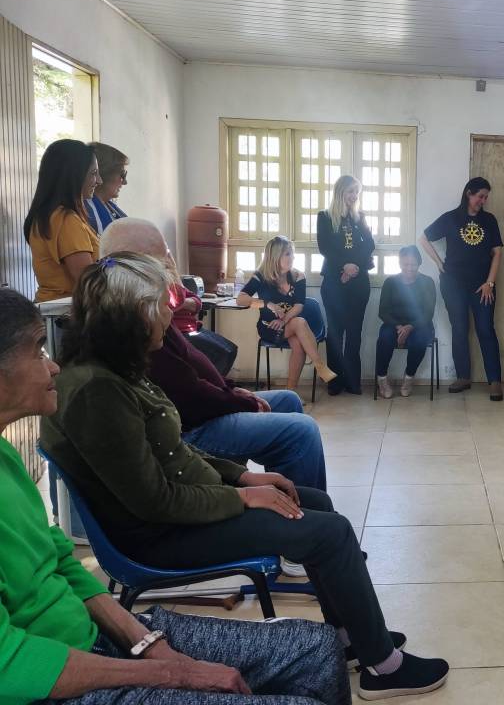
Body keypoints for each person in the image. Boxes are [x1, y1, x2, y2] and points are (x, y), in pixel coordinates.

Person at [39, 254, 450, 700]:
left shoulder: (118, 370)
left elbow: (175, 452)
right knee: (330, 533)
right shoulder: (96, 390)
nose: (168, 314)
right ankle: (383, 667)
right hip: (158, 535)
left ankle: (351, 639)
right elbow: (154, 500)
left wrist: (242, 478)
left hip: (177, 512)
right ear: (131, 316)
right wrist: (242, 499)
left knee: (314, 502)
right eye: (160, 305)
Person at [0, 287, 349, 705]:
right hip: (52, 685)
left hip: (94, 640)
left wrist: (145, 641)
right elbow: (9, 665)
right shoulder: (97, 389)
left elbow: (62, 563)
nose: (52, 365)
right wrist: (169, 673)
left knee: (320, 651)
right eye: (38, 350)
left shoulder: (6, 456)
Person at [101, 219, 326, 494]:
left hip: (209, 407)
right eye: (165, 256)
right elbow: (189, 394)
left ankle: (291, 495)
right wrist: (239, 401)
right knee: (303, 430)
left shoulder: (148, 312)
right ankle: (302, 507)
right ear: (136, 266)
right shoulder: (136, 328)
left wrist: (231, 389)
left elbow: (194, 366)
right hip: (197, 427)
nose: (171, 263)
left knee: (288, 399)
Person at [420, 177, 504, 401]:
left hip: (483, 285)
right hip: (453, 283)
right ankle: (463, 377)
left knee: (486, 329)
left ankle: (495, 381)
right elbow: (424, 238)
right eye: (480, 196)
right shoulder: (450, 218)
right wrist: (439, 263)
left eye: (486, 197)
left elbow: (497, 253)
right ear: (469, 193)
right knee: (459, 328)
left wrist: (490, 283)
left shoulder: (489, 220)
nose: (483, 201)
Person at [237, 236, 337, 392]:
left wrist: (283, 320)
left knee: (298, 342)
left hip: (289, 324)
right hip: (269, 327)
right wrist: (267, 304)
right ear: (276, 256)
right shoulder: (261, 276)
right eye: (288, 254)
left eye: (292, 253)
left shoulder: (298, 276)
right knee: (299, 323)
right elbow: (241, 299)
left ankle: (291, 392)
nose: (293, 257)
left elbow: (299, 305)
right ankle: (320, 366)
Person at [24, 139, 101, 302]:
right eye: (93, 173)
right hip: (66, 312)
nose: (99, 180)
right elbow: (89, 283)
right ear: (74, 175)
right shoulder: (66, 220)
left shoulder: (50, 214)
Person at [317, 175, 374, 396]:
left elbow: (369, 244)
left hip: (358, 281)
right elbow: (325, 247)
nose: (354, 196)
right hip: (334, 281)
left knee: (354, 332)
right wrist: (344, 266)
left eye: (356, 192)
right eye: (350, 191)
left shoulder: (360, 217)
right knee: (335, 333)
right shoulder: (324, 217)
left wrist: (353, 267)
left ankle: (352, 381)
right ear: (340, 192)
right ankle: (335, 382)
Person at [375, 245, 436, 399]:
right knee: (384, 338)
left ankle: (409, 378)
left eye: (413, 264)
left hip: (420, 325)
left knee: (419, 340)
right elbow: (383, 311)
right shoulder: (390, 282)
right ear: (400, 263)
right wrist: (399, 327)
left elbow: (428, 312)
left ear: (419, 263)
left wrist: (410, 326)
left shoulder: (428, 282)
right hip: (393, 324)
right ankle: (382, 380)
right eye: (405, 264)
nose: (409, 268)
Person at [83, 142, 128, 234]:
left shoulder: (108, 205)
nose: (125, 182)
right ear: (104, 173)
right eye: (122, 174)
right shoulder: (86, 212)